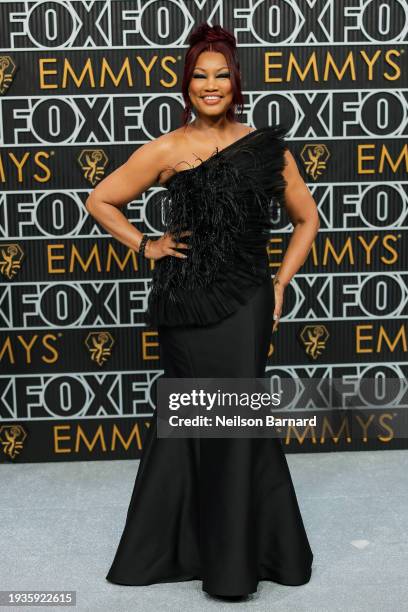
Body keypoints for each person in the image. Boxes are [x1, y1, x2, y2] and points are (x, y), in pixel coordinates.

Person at [86, 23, 319, 600]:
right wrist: (147, 245)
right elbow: (101, 199)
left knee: (238, 419)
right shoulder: (167, 148)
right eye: (199, 77)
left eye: (220, 76)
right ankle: (180, 548)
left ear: (234, 83)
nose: (209, 86)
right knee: (191, 419)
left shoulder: (266, 147)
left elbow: (307, 219)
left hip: (246, 301)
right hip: (186, 301)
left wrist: (282, 283)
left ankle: (240, 560)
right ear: (187, 85)